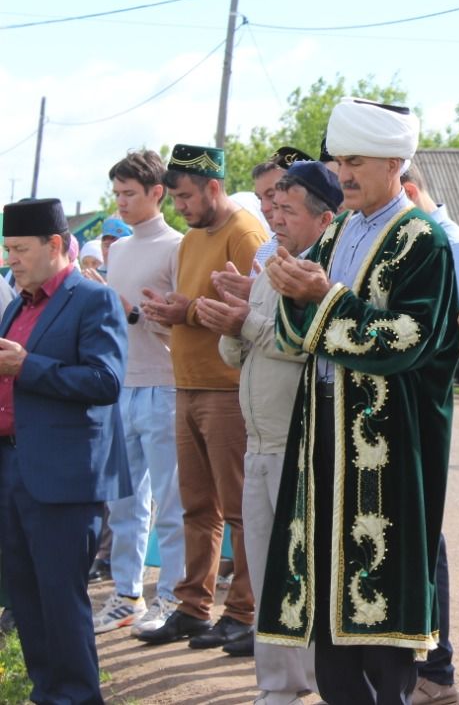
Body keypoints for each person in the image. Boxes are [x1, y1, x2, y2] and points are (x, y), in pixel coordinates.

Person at [257, 98, 459, 705]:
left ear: (397, 161)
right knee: (324, 597)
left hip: (385, 444)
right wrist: (298, 299)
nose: (342, 173)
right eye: (339, 160)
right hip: (322, 432)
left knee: (378, 604)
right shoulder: (340, 228)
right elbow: (298, 333)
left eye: (356, 161)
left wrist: (322, 301)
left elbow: (407, 339)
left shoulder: (424, 240)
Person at [203, 161, 340, 700]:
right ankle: (280, 683)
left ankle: (298, 682)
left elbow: (305, 344)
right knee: (264, 570)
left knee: (296, 573)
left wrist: (247, 325)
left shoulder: (322, 276)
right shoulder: (272, 265)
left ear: (325, 219)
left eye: (287, 210)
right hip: (259, 441)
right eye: (272, 208)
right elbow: (249, 347)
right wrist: (230, 326)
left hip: (298, 443)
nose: (275, 219)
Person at [0, 197, 130, 704]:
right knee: (25, 595)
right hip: (13, 465)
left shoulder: (92, 299)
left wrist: (27, 367)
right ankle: (46, 692)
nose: (11, 259)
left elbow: (106, 381)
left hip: (64, 476)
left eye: (19, 249)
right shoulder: (17, 303)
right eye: (7, 249)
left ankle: (76, 696)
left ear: (55, 245)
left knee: (60, 595)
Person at [137, 144, 267, 648]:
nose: (180, 208)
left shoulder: (245, 234)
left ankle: (243, 612)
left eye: (187, 196)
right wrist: (172, 308)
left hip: (227, 391)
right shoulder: (191, 239)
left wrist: (187, 311)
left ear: (214, 187)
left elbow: (253, 308)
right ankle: (192, 606)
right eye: (174, 198)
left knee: (238, 508)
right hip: (187, 385)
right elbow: (194, 302)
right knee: (196, 505)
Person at [86, 151, 188, 638]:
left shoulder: (178, 247)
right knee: (123, 501)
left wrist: (131, 315)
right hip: (121, 387)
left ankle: (171, 594)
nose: (122, 203)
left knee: (169, 501)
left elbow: (185, 325)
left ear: (157, 193)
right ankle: (127, 594)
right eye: (117, 194)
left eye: (130, 193)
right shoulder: (119, 251)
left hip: (164, 384)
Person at [402, 163, 459, 705]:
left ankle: (439, 667)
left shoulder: (447, 242)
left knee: (425, 535)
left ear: (406, 190)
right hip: (395, 405)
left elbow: (452, 342)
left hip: (423, 406)